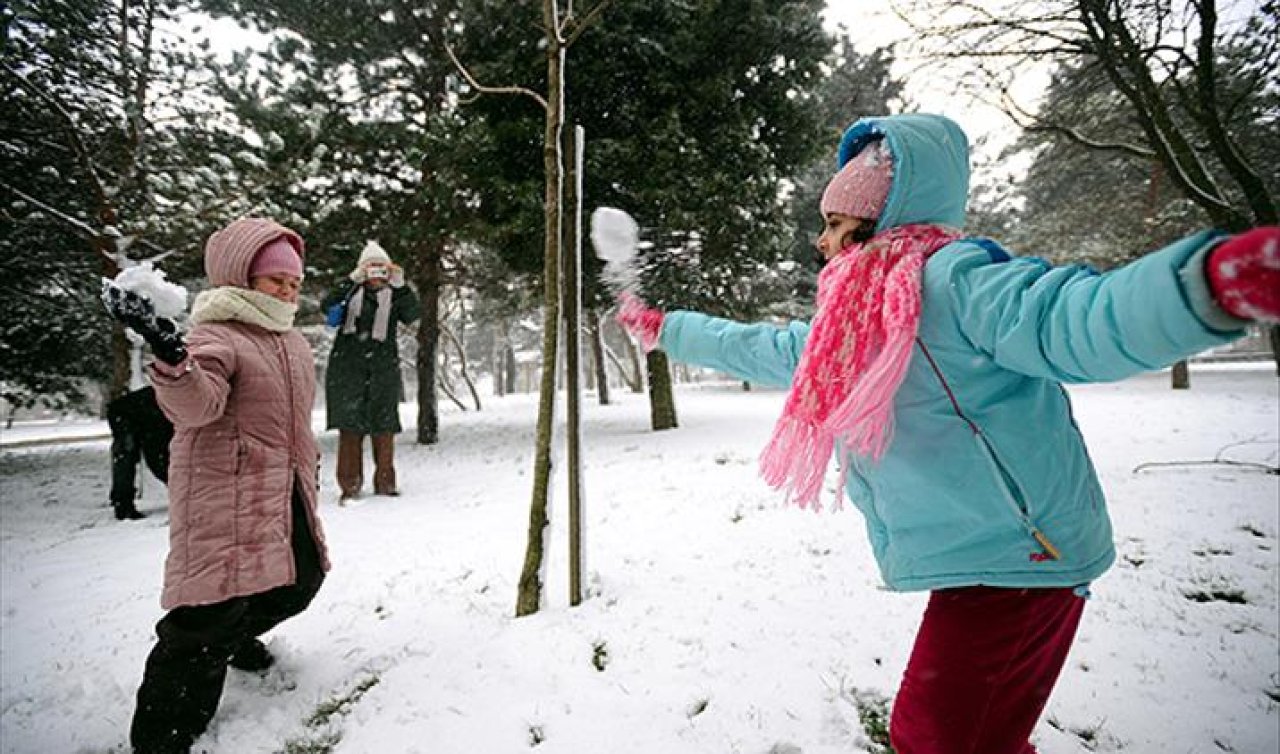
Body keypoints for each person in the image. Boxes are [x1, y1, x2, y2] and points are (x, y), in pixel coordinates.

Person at [614, 113, 1280, 754]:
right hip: (983, 557)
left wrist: (1204, 288)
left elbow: (1073, 316)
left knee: (936, 738)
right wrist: (670, 329)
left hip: (1026, 555)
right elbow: (767, 347)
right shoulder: (853, 322)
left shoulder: (958, 282)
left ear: (881, 221)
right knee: (963, 736)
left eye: (836, 223)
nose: (822, 241)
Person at [102, 217, 331, 754]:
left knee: (300, 579)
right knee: (204, 619)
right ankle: (163, 737)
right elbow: (195, 406)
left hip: (283, 489)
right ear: (241, 278)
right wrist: (171, 356)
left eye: (294, 281)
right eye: (276, 280)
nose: (288, 289)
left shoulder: (291, 342)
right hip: (223, 494)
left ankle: (234, 638)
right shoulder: (216, 335)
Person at [322, 242, 421, 500]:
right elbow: (326, 306)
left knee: (384, 426)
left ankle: (386, 483)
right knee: (350, 428)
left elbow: (413, 315)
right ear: (362, 270)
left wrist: (402, 287)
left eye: (382, 269)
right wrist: (349, 281)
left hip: (382, 368)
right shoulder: (350, 292)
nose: (377, 276)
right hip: (348, 368)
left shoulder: (395, 296)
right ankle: (349, 486)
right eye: (371, 269)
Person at [106, 385, 174, 520]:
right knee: (126, 455)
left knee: (126, 457)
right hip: (126, 414)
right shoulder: (166, 415)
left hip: (133, 412)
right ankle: (122, 505)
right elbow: (157, 458)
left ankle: (121, 502)